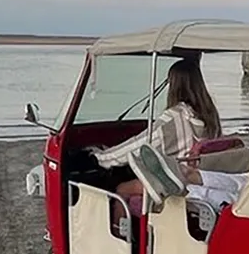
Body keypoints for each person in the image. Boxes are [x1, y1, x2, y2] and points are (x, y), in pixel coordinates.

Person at [89, 58, 222, 173]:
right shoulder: (210, 115)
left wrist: (101, 157)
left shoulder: (174, 117)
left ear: (174, 85)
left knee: (120, 189)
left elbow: (139, 146)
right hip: (203, 177)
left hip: (180, 180)